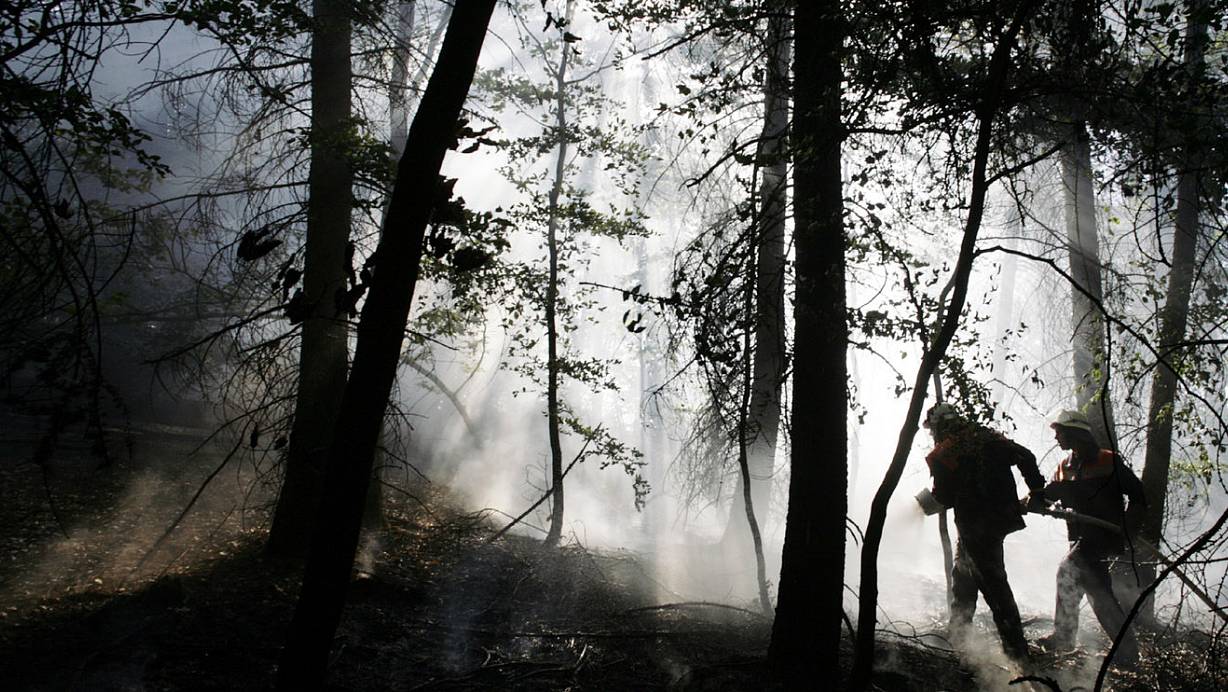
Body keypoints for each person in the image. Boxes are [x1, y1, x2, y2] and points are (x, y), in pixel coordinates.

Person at [922, 403, 1045, 664]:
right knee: (963, 576)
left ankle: (1018, 655)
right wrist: (1037, 491)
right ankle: (959, 639)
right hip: (998, 519)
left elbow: (943, 496)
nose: (933, 434)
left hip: (974, 524)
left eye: (932, 429)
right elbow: (1026, 456)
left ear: (938, 426)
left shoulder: (943, 453)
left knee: (994, 585)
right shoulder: (988, 437)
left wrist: (930, 502)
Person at [1035, 409, 1146, 663]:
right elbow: (1049, 494)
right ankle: (1127, 652)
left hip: (1104, 536)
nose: (1056, 439)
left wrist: (1128, 528)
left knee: (1067, 571)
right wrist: (1032, 501)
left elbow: (1138, 496)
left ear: (1075, 433)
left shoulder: (1109, 461)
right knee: (1097, 593)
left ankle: (1064, 638)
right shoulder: (1065, 467)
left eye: (1060, 432)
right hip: (1080, 538)